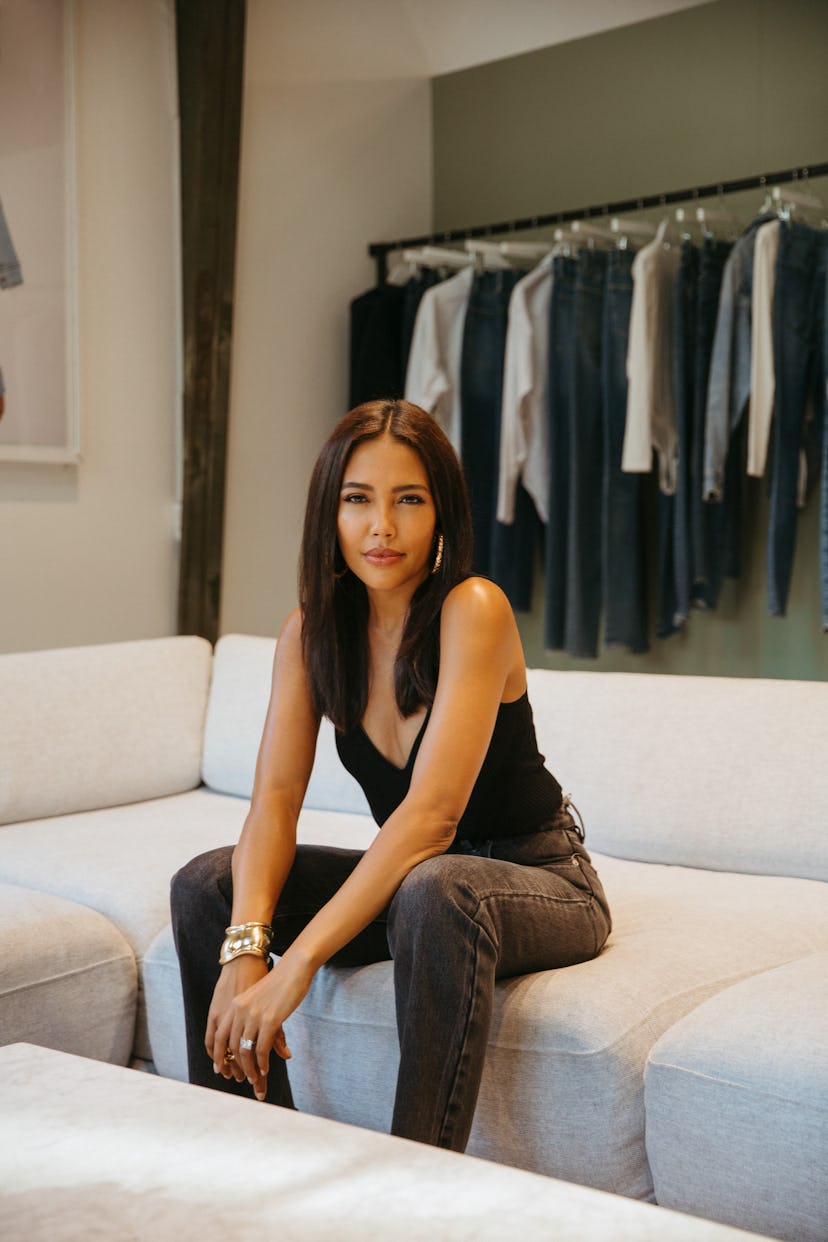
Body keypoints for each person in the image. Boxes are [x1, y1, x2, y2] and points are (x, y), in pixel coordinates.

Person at [171, 398, 611, 1153]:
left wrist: (295, 964)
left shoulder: (474, 609)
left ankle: (415, 1181)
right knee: (207, 885)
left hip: (537, 879)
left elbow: (432, 818)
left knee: (436, 887)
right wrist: (246, 949)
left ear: (441, 514)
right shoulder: (310, 634)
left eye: (409, 500)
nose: (382, 526)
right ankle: (248, 1159)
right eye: (357, 500)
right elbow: (274, 801)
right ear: (330, 514)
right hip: (417, 888)